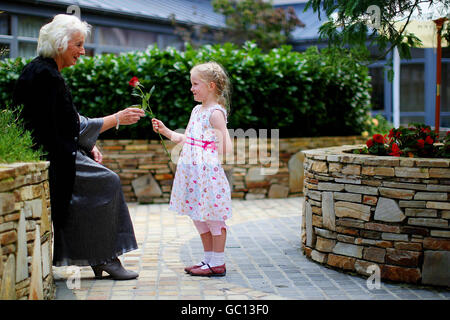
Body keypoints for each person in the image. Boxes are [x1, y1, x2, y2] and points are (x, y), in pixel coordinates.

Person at [12, 14, 145, 280]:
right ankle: (104, 258)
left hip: (56, 150)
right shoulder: (47, 76)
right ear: (60, 44)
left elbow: (65, 124)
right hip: (53, 157)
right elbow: (72, 125)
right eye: (78, 44)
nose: (83, 51)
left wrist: (86, 147)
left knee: (104, 179)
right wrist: (116, 119)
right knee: (107, 181)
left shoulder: (42, 70)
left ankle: (100, 257)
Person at [152, 62, 233, 277]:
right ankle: (207, 260)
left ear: (211, 86)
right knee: (199, 217)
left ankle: (218, 262)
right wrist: (166, 131)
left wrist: (208, 146)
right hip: (193, 174)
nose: (192, 88)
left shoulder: (215, 113)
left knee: (213, 217)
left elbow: (226, 147)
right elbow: (186, 138)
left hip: (207, 174)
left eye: (195, 84)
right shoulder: (197, 110)